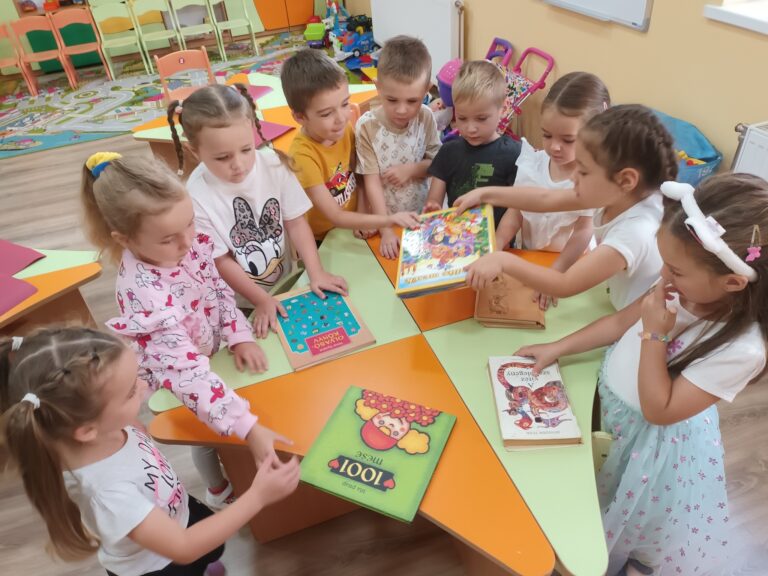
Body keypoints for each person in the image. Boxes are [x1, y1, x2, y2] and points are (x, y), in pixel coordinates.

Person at [515, 174, 768, 575]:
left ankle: (634, 561)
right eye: (664, 262)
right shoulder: (678, 287)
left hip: (649, 444)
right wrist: (558, 347)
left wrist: (655, 334)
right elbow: (619, 324)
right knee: (596, 489)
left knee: (631, 512)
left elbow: (659, 409)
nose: (663, 276)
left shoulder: (743, 350)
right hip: (612, 411)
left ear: (733, 282)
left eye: (676, 270)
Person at [81, 152, 290, 512]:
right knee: (203, 437)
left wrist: (238, 334)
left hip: (208, 353)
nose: (188, 241)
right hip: (176, 377)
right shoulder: (144, 294)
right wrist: (248, 428)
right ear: (125, 239)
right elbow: (186, 376)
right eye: (168, 239)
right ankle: (217, 489)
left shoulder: (186, 243)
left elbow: (218, 288)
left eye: (191, 223)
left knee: (226, 415)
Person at [0, 326, 300, 576]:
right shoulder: (110, 495)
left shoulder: (98, 428)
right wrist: (258, 496)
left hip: (174, 509)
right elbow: (183, 548)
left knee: (207, 547)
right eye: (131, 390)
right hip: (158, 565)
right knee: (197, 552)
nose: (144, 386)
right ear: (87, 429)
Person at [167, 84, 347, 339]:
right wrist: (260, 300)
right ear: (194, 150)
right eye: (222, 157)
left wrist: (315, 272)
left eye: (246, 149)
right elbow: (221, 261)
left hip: (286, 280)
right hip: (241, 301)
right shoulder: (195, 196)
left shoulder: (274, 165)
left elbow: (296, 222)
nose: (238, 165)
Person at [455, 104, 678, 310]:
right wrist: (486, 194)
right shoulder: (617, 194)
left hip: (643, 322)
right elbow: (545, 198)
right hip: (620, 305)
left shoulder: (635, 232)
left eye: (583, 171)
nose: (573, 178)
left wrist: (503, 260)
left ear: (626, 180)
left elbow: (564, 283)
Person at [494, 72, 610, 309]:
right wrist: (497, 243)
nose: (554, 147)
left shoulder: (591, 179)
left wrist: (556, 273)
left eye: (568, 140)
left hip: (570, 265)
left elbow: (583, 232)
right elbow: (515, 213)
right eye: (547, 135)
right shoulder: (532, 164)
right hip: (530, 256)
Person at [281, 49, 419, 243]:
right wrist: (386, 220)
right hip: (325, 237)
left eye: (345, 104)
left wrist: (362, 212)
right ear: (300, 117)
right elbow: (335, 216)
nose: (341, 118)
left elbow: (359, 173)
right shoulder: (302, 156)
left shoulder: (343, 129)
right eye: (326, 113)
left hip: (356, 221)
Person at [355, 35, 442, 259]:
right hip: (385, 218)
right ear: (378, 87)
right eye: (392, 100)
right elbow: (371, 181)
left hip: (419, 215)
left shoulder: (426, 117)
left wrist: (412, 169)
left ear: (427, 91)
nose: (402, 110)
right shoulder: (367, 127)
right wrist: (385, 228)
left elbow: (440, 165)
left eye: (412, 101)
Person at [423, 60, 521, 233]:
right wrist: (433, 209)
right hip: (456, 239)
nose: (470, 128)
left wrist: (500, 241)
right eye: (462, 118)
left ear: (503, 109)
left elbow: (517, 209)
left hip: (498, 242)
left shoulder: (514, 154)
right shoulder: (448, 151)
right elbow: (434, 201)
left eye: (481, 118)